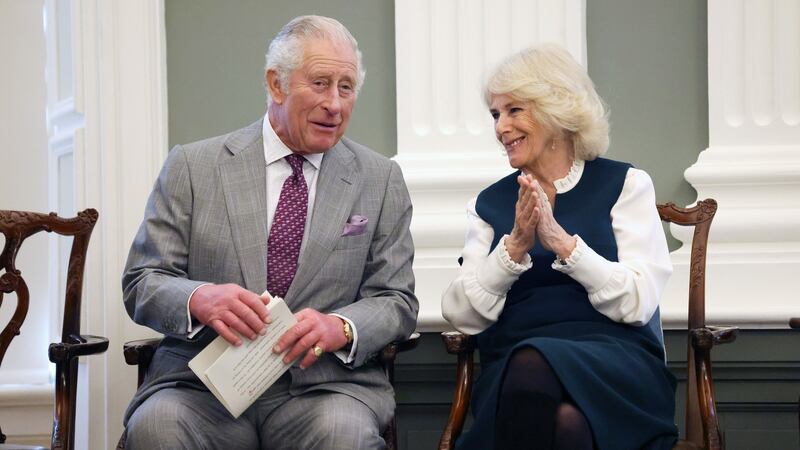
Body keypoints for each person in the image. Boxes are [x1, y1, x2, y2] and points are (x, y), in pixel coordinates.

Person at [122, 15, 417, 450]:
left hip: (325, 388)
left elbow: (396, 299)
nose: (335, 104)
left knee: (345, 436)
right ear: (276, 84)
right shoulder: (193, 167)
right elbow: (142, 281)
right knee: (157, 427)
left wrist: (341, 327)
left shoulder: (380, 179)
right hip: (201, 388)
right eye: (320, 84)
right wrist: (199, 298)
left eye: (346, 87)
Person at [441, 43, 678, 450]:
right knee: (564, 419)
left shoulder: (625, 185)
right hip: (515, 369)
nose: (501, 127)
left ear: (555, 110)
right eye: (496, 114)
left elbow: (639, 302)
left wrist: (564, 246)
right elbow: (461, 314)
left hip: (614, 365)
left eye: (514, 110)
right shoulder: (487, 205)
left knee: (535, 365)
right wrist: (514, 248)